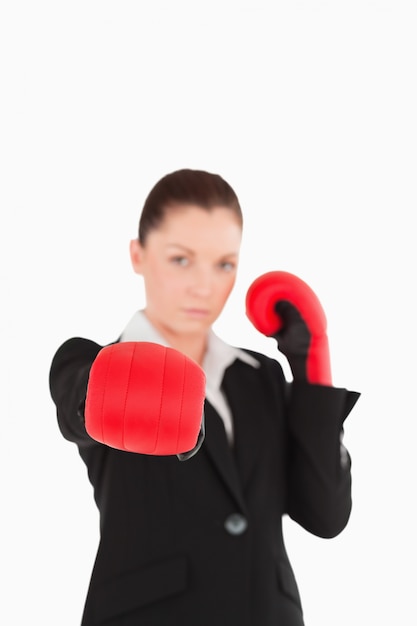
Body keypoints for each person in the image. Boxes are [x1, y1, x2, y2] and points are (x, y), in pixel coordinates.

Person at [49, 168, 360, 626]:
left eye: (224, 264)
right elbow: (82, 399)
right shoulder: (97, 364)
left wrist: (312, 366)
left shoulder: (263, 377)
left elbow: (326, 516)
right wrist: (97, 388)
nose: (204, 286)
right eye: (181, 259)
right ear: (138, 254)